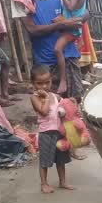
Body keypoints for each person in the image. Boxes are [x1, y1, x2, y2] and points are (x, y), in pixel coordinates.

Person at [11, 0, 86, 100]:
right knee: (50, 110)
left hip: (69, 57)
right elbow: (32, 30)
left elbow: (81, 10)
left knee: (75, 106)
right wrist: (63, 23)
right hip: (45, 65)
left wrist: (82, 17)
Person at [30, 65, 74, 194]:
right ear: (33, 83)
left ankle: (63, 181)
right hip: (46, 133)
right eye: (39, 83)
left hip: (59, 131)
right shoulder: (35, 97)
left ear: (51, 81)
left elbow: (64, 102)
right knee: (45, 160)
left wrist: (69, 101)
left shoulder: (54, 96)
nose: (43, 86)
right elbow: (43, 111)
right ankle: (44, 184)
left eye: (47, 82)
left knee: (61, 159)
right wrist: (48, 98)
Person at [54, 0, 87, 95]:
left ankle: (63, 80)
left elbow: (71, 7)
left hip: (71, 30)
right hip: (72, 28)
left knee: (57, 49)